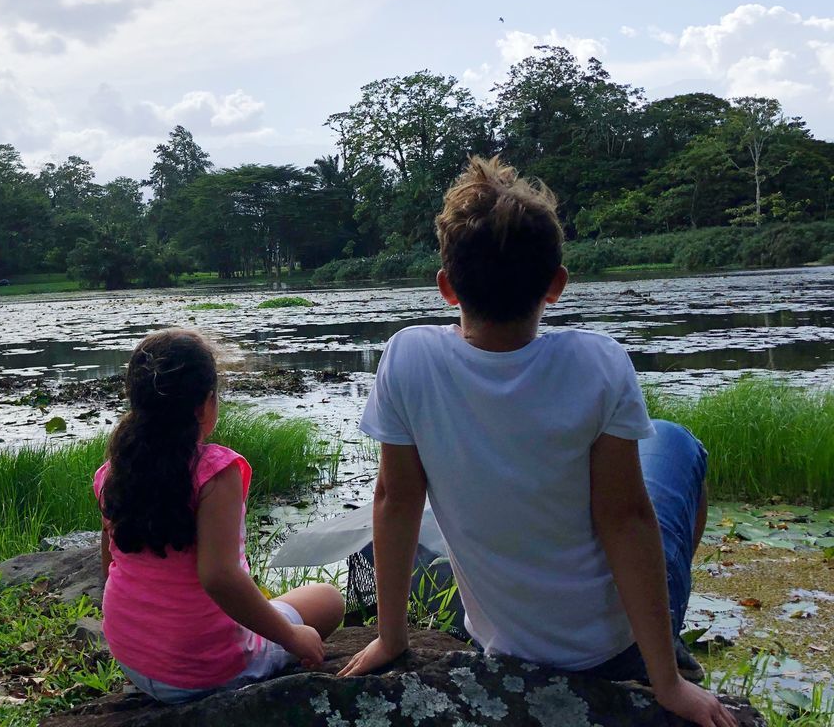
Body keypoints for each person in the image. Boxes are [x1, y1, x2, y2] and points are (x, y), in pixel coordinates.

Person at [340, 156, 734, 727]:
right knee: (678, 445)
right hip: (611, 649)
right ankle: (665, 643)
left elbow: (394, 499)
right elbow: (625, 518)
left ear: (447, 288)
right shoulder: (600, 361)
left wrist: (390, 638)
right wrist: (664, 684)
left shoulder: (407, 356)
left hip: (506, 645)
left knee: (664, 446)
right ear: (557, 285)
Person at [94, 328, 344, 704]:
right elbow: (219, 577)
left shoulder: (113, 471)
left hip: (133, 658)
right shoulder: (214, 471)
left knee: (273, 602)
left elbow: (109, 561)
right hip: (207, 671)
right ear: (205, 404)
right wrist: (294, 638)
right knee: (328, 600)